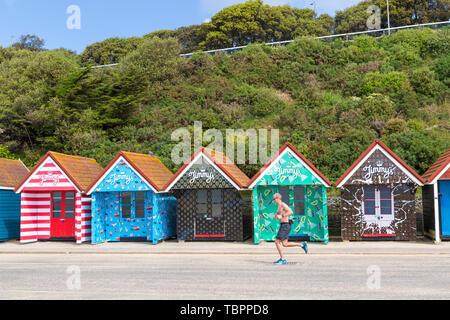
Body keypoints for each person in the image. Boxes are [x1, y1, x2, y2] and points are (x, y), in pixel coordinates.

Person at [272, 193, 308, 264]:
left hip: (285, 226)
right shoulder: (279, 206)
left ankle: (282, 259)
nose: (273, 201)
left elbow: (290, 212)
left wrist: (281, 216)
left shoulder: (283, 204)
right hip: (284, 225)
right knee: (285, 244)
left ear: (277, 198)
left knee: (277, 242)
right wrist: (277, 216)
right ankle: (302, 245)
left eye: (274, 199)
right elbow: (282, 215)